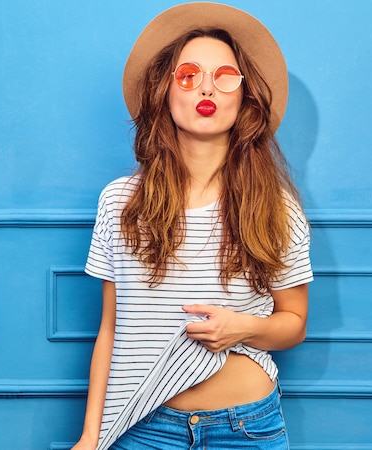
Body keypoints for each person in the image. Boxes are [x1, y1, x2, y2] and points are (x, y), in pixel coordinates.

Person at [72, 3, 313, 449]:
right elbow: (111, 329)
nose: (207, 88)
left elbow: (294, 322)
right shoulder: (119, 202)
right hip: (144, 427)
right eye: (189, 75)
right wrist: (90, 435)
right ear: (165, 91)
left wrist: (244, 328)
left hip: (246, 428)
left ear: (244, 98)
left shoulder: (276, 207)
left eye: (225, 76)